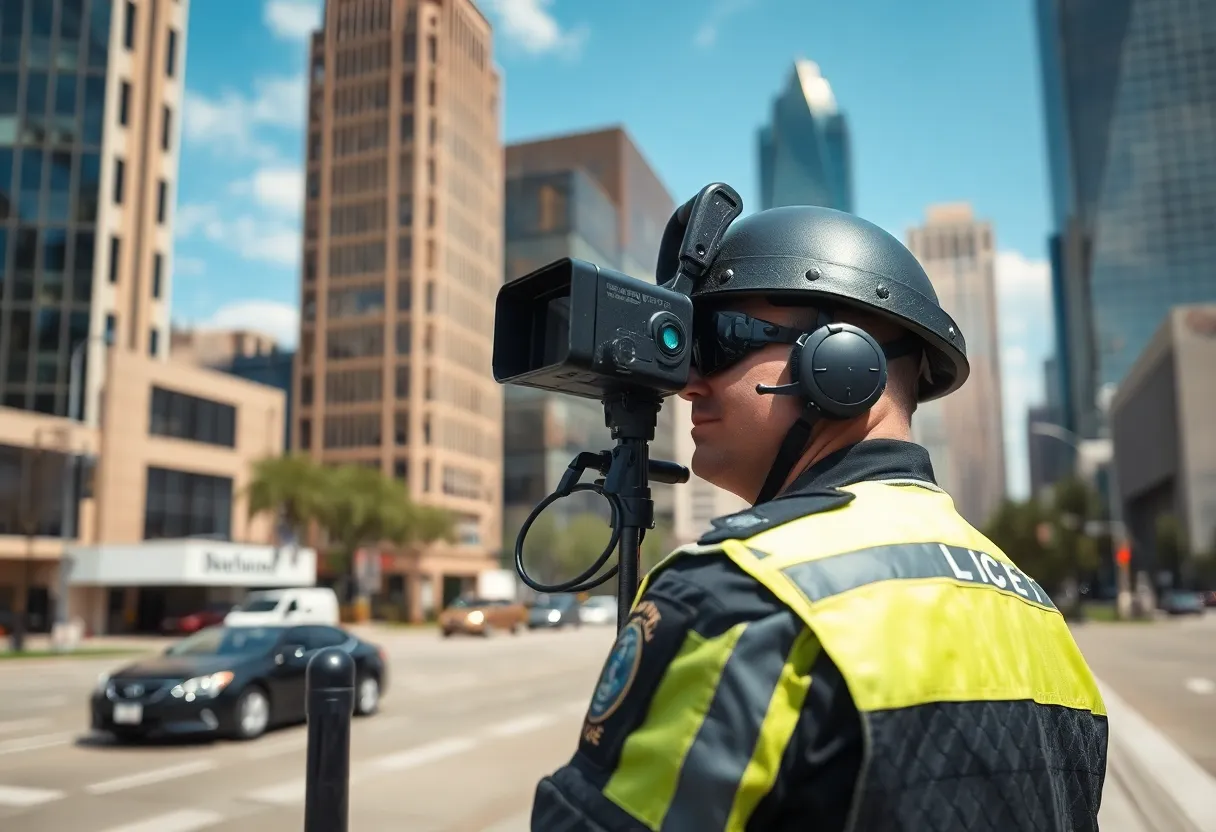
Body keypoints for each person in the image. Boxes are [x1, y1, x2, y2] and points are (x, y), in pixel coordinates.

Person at [530, 204, 1108, 831]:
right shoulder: (1035, 609)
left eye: (720, 342)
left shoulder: (740, 593)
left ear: (841, 361)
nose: (689, 383)